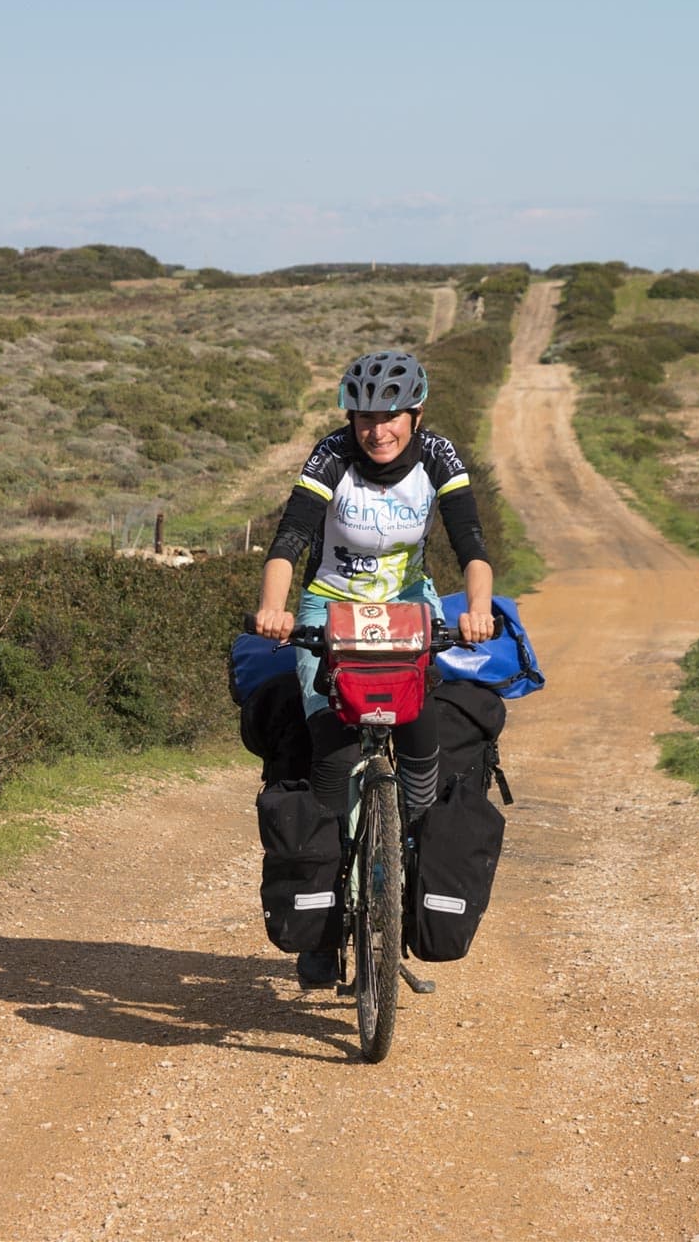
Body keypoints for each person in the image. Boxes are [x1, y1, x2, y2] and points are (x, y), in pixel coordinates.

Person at [254, 350, 495, 987]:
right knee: (329, 748)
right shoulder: (330, 456)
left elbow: (471, 543)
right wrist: (273, 609)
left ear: (414, 415)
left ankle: (411, 859)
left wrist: (475, 610)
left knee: (421, 732)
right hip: (330, 605)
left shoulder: (440, 456)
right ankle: (326, 915)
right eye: (364, 417)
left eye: (390, 417)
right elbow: (291, 539)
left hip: (406, 609)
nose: (377, 430)